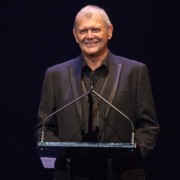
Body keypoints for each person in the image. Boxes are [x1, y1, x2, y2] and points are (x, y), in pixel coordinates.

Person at [35, 5, 160, 180]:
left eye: (95, 29)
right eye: (83, 30)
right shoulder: (55, 75)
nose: (89, 36)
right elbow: (44, 127)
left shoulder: (135, 72)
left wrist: (132, 154)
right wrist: (64, 153)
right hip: (71, 173)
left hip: (122, 173)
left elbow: (149, 126)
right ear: (75, 35)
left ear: (109, 32)